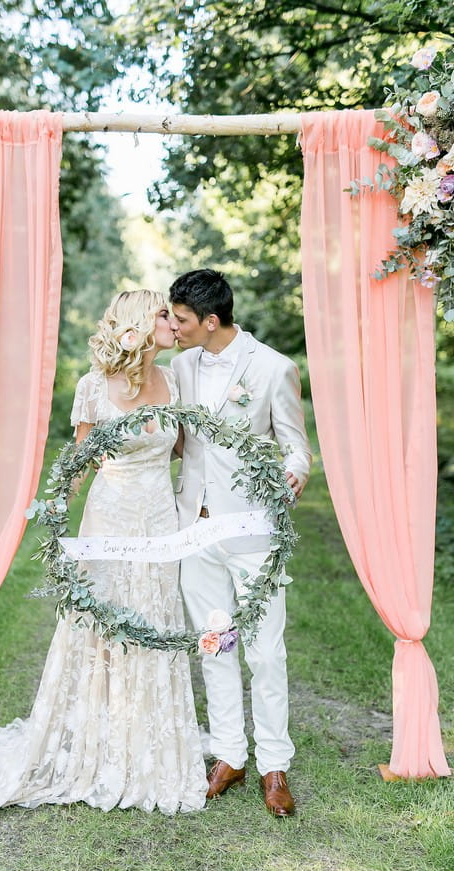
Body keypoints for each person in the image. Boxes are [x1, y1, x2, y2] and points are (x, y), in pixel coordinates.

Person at [0, 289, 208, 831]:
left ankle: (145, 736)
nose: (172, 322)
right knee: (104, 625)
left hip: (159, 519)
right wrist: (54, 514)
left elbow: (182, 450)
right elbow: (80, 462)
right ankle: (100, 736)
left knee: (154, 617)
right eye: (162, 315)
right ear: (137, 326)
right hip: (109, 518)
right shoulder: (93, 388)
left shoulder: (174, 381)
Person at [169, 269, 312, 817]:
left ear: (210, 320)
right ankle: (230, 753)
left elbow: (296, 447)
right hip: (196, 528)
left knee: (266, 651)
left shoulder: (274, 368)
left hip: (252, 531)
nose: (173, 328)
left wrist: (294, 476)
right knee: (215, 643)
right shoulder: (180, 366)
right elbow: (181, 441)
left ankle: (275, 764)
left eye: (181, 319)